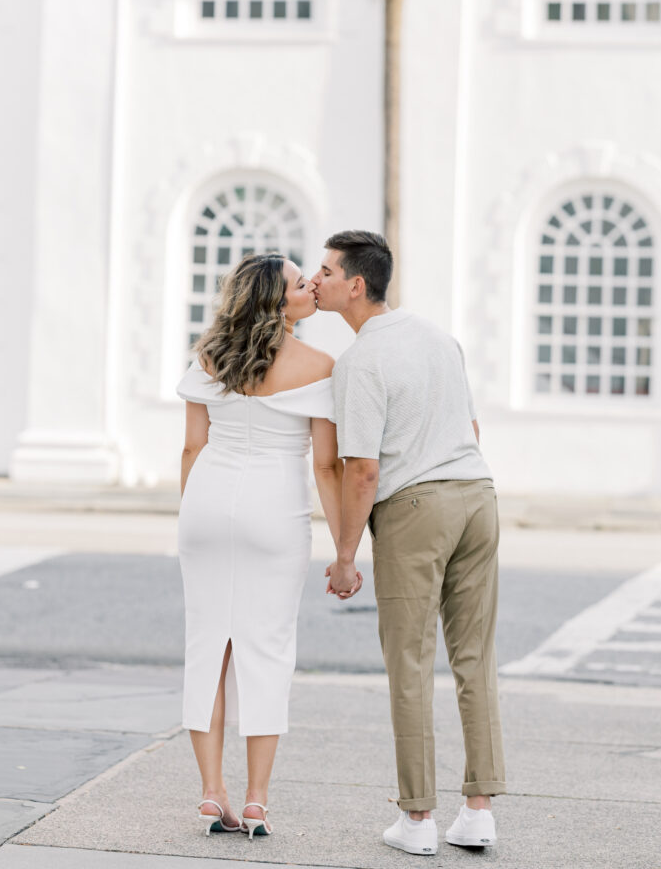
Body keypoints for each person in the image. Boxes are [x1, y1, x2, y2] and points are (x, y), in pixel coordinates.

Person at [311, 230, 506, 856]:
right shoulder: (437, 337)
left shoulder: (361, 361)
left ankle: (418, 820)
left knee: (411, 663)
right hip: (477, 495)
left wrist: (344, 555)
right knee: (474, 657)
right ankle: (478, 812)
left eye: (325, 271)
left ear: (356, 286)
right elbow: (471, 425)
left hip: (414, 507)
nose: (317, 280)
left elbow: (361, 469)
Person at [176, 253, 357, 840]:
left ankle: (210, 794)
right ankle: (255, 801)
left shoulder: (209, 355)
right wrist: (345, 551)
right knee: (267, 650)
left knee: (209, 646)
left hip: (206, 501)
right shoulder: (318, 365)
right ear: (279, 303)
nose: (310, 286)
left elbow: (191, 449)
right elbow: (327, 468)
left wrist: (192, 516)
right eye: (300, 282)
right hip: (273, 507)